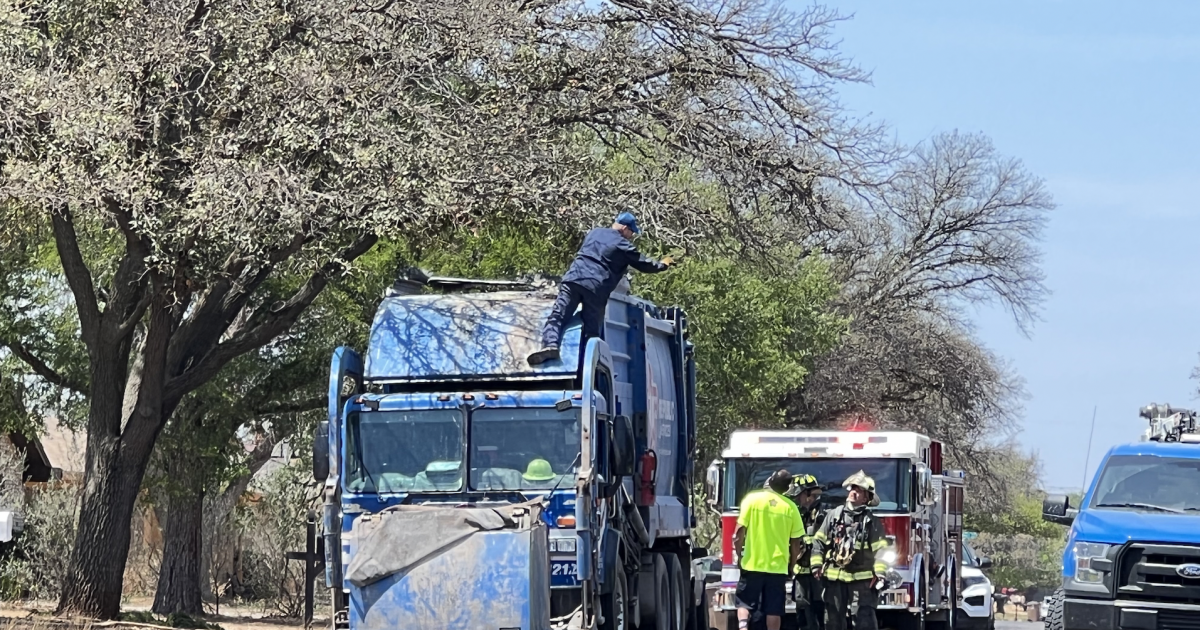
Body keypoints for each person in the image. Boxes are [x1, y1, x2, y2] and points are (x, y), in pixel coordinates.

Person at [527, 212, 674, 366]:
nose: (631, 236)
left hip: (573, 279)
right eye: (632, 232)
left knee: (558, 316)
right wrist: (662, 265)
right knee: (592, 330)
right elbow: (644, 264)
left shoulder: (594, 232)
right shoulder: (622, 245)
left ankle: (550, 345)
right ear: (625, 228)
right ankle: (589, 365)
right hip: (595, 288)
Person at [810, 471, 888, 630]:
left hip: (862, 581)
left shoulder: (871, 522)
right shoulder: (833, 516)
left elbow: (880, 550)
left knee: (864, 619)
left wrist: (880, 573)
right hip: (835, 578)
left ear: (866, 498)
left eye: (859, 490)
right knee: (833, 620)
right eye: (853, 488)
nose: (853, 492)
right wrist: (816, 565)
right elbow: (818, 541)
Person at [732, 470, 806, 630]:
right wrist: (791, 566)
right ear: (786, 489)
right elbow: (796, 544)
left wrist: (738, 556)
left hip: (752, 565)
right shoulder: (791, 508)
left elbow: (738, 533)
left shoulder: (751, 500)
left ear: (770, 482)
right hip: (777, 568)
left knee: (744, 603)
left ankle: (743, 627)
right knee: (774, 609)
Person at [785, 474, 825, 630]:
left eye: (799, 495)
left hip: (818, 575)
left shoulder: (823, 515)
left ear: (809, 494)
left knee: (819, 612)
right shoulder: (800, 513)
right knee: (802, 612)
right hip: (801, 574)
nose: (797, 499)